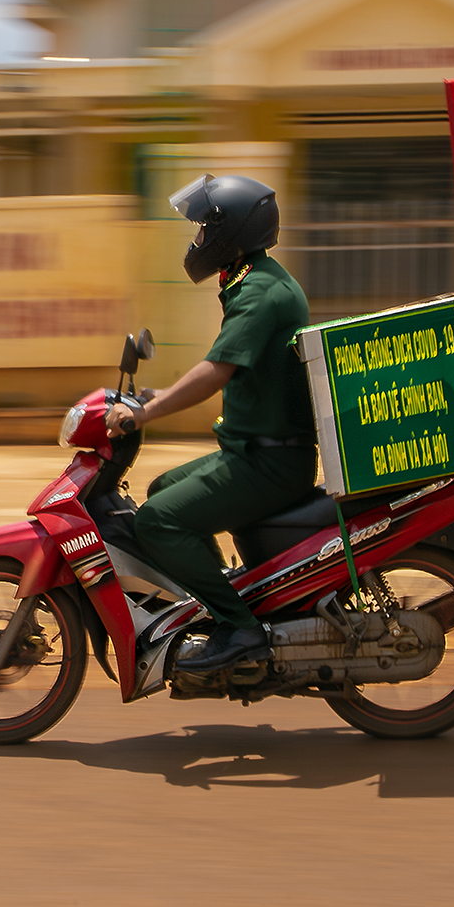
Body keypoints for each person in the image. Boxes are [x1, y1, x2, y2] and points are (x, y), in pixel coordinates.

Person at [104, 173, 319, 674]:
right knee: (160, 489)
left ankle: (239, 628)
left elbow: (217, 371)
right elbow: (229, 369)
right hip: (254, 453)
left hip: (267, 463)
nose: (197, 240)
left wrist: (145, 412)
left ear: (231, 233)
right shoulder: (255, 281)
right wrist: (155, 397)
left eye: (203, 229)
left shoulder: (260, 293)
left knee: (158, 522)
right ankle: (221, 594)